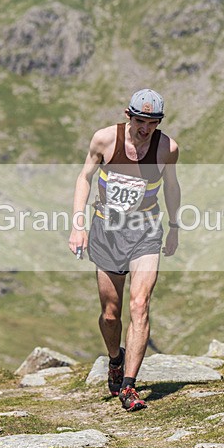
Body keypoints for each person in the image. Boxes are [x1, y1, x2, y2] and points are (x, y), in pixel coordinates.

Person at [68, 89, 180, 411]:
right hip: (106, 231)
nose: (146, 129)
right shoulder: (104, 140)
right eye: (141, 121)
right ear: (128, 116)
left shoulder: (167, 148)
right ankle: (115, 358)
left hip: (145, 231)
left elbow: (171, 186)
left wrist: (174, 226)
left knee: (140, 304)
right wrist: (78, 225)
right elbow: (84, 178)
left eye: (153, 123)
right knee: (110, 314)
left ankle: (129, 385)